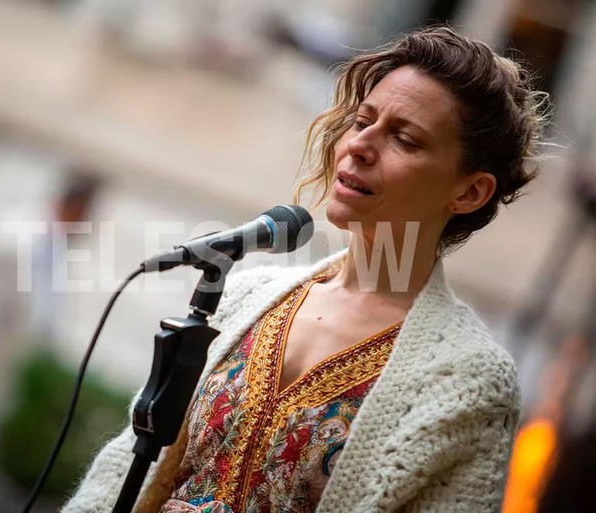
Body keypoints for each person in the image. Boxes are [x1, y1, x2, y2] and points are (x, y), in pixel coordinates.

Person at [62, 26, 549, 512]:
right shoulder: (244, 297)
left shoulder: (469, 380)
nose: (359, 145)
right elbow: (120, 479)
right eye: (362, 121)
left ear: (469, 192)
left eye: (404, 138)